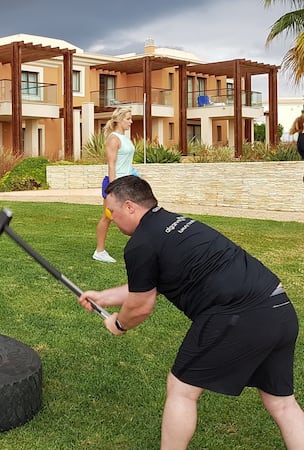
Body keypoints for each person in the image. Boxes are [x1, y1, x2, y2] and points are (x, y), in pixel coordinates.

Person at [78, 175, 304, 449]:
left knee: (181, 390)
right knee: (281, 403)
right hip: (278, 308)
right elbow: (149, 286)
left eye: (110, 212)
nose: (110, 219)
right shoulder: (177, 224)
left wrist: (119, 324)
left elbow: (141, 306)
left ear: (129, 207)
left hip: (238, 315)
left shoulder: (141, 244)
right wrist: (103, 297)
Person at [93, 106, 136, 263]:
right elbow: (111, 164)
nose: (131, 122)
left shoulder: (125, 138)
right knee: (107, 217)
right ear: (118, 119)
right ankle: (99, 251)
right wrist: (113, 188)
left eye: (131, 118)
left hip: (127, 182)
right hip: (115, 183)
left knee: (137, 215)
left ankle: (142, 248)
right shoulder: (113, 138)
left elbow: (126, 163)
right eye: (128, 119)